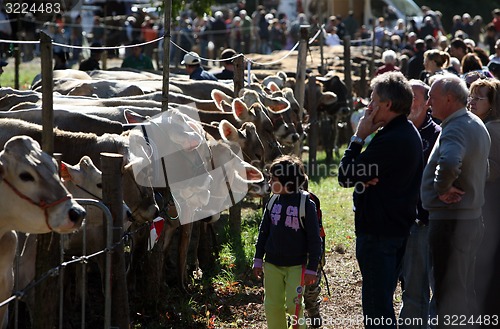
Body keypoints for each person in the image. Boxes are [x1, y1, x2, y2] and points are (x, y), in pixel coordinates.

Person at [338, 72, 423, 328]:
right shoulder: (400, 133)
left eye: (373, 100)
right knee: (381, 301)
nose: (368, 106)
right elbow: (356, 175)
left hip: (380, 233)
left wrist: (358, 138)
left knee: (377, 309)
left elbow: (345, 175)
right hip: (392, 229)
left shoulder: (392, 140)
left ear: (387, 104)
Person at [421, 74, 490, 328]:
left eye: (432, 97)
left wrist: (442, 188)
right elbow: (485, 170)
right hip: (469, 218)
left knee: (447, 294)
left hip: (451, 221)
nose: (428, 102)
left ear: (449, 99)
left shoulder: (456, 127)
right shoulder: (474, 123)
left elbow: (449, 161)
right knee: (462, 289)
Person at [253, 155, 322, 329]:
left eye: (273, 179)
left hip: (297, 266)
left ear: (288, 182)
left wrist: (312, 268)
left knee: (294, 305)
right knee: (272, 306)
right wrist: (258, 259)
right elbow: (263, 232)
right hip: (272, 264)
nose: (269, 182)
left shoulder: (306, 203)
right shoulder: (272, 201)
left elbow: (314, 239)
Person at [399, 80, 441, 328]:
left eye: (415, 98)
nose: (410, 103)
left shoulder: (436, 135)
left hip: (429, 220)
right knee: (412, 288)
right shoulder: (393, 133)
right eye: (407, 96)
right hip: (402, 220)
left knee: (437, 285)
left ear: (428, 103)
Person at [467, 79, 500, 322]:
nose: (472, 101)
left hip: (490, 205)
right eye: (471, 96)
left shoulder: (491, 130)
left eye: (480, 98)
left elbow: (494, 169)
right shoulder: (484, 126)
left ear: (493, 104)